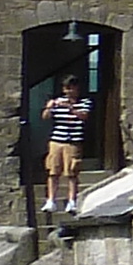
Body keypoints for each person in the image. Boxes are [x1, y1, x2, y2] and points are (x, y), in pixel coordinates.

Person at [40, 75, 94, 216]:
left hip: (73, 142)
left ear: (77, 89)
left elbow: (84, 116)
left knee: (71, 172)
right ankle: (51, 200)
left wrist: (70, 107)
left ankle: (72, 201)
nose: (68, 92)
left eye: (71, 88)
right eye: (66, 89)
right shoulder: (58, 102)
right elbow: (45, 117)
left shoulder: (84, 102)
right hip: (57, 141)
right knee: (53, 171)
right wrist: (49, 107)